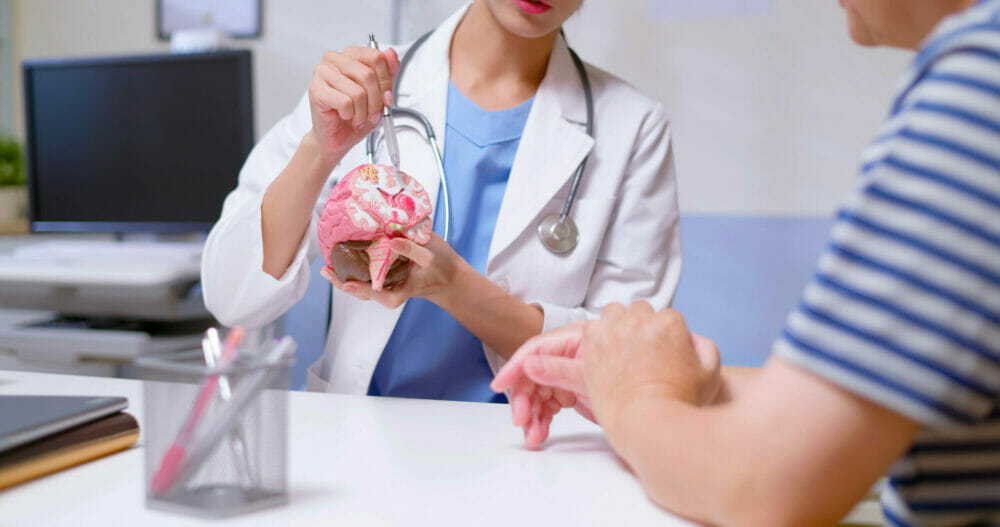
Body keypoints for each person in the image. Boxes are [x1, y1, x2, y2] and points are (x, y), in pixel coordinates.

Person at [492, 0, 1000, 524]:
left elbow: (764, 490)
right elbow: (875, 399)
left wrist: (638, 399)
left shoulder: (979, 85)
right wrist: (649, 373)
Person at [201, 0, 682, 402]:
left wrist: (451, 283)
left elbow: (623, 363)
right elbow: (233, 297)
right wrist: (319, 151)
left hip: (528, 453)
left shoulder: (633, 127)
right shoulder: (366, 83)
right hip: (364, 442)